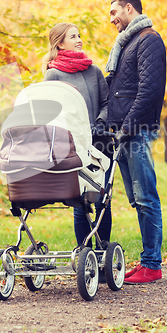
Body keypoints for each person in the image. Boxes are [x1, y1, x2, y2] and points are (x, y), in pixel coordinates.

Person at [106, 0, 166, 284]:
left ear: (129, 8)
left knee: (146, 198)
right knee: (137, 200)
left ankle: (152, 265)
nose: (112, 18)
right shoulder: (128, 43)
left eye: (114, 11)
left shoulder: (148, 40)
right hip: (125, 131)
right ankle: (147, 262)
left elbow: (150, 91)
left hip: (137, 130)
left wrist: (127, 126)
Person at [43, 22, 112, 250]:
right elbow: (49, 112)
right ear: (60, 43)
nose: (79, 39)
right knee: (81, 202)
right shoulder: (53, 75)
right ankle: (85, 256)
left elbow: (106, 102)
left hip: (100, 142)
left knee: (102, 200)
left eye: (79, 35)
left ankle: (103, 255)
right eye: (73, 36)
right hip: (72, 146)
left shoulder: (94, 71)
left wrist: (101, 122)